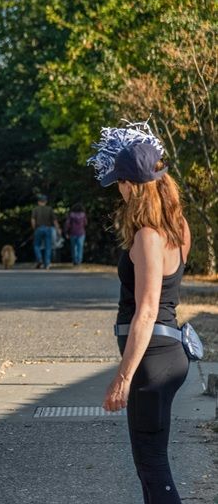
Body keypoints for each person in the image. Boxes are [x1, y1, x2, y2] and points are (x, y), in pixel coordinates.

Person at [91, 131, 191, 504]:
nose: (118, 189)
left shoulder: (148, 237)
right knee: (152, 462)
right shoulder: (179, 229)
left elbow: (147, 310)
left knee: (151, 463)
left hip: (153, 360)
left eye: (119, 182)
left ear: (132, 185)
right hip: (168, 353)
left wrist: (123, 377)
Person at [31, 195, 60, 269]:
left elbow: (33, 220)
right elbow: (54, 220)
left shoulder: (35, 209)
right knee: (48, 246)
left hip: (38, 228)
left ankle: (39, 259)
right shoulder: (50, 209)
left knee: (36, 245)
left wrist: (34, 228)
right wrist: (58, 229)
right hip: (48, 228)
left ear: (38, 202)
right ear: (46, 202)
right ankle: (47, 263)